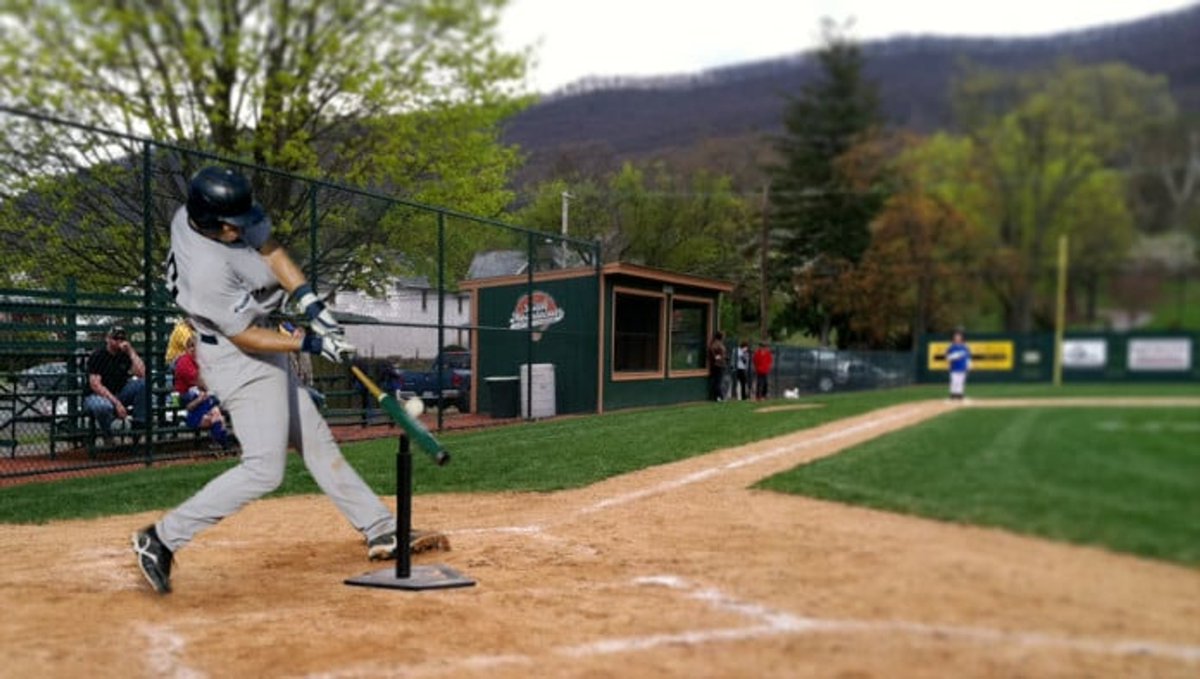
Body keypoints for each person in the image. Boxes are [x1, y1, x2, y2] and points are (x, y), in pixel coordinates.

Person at [132, 165, 402, 595]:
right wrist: (312, 343)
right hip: (236, 356)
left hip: (257, 342)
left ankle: (380, 527)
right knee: (264, 469)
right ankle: (162, 538)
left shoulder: (198, 216)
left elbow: (271, 250)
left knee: (315, 440)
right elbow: (244, 334)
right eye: (232, 226)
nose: (240, 231)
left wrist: (312, 304)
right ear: (209, 223)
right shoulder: (205, 272)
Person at [82, 325, 149, 444]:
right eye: (115, 338)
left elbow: (142, 373)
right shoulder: (98, 355)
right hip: (96, 396)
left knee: (143, 384)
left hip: (119, 393)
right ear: (107, 339)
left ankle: (138, 426)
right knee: (103, 407)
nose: (119, 341)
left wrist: (131, 352)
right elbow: (95, 385)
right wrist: (117, 403)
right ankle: (108, 436)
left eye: (122, 339)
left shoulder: (124, 355)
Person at [173, 335, 233, 450]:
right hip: (186, 396)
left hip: (202, 395)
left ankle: (221, 444)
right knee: (214, 413)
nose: (195, 349)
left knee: (215, 413)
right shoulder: (184, 362)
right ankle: (223, 444)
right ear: (188, 348)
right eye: (192, 347)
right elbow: (201, 383)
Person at [946, 329, 971, 402]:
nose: (957, 338)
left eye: (959, 336)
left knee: (961, 381)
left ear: (961, 337)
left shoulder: (965, 346)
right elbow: (947, 357)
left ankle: (960, 394)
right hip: (954, 367)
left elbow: (968, 357)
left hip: (962, 366)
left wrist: (969, 365)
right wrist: (955, 356)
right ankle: (953, 394)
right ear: (953, 338)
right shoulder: (951, 346)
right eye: (956, 336)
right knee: (954, 381)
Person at [707, 331, 727, 401]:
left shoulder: (717, 343)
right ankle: (720, 396)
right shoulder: (717, 344)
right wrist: (717, 357)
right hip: (718, 365)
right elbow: (713, 351)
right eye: (723, 336)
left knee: (717, 381)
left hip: (719, 364)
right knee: (718, 381)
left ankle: (716, 397)